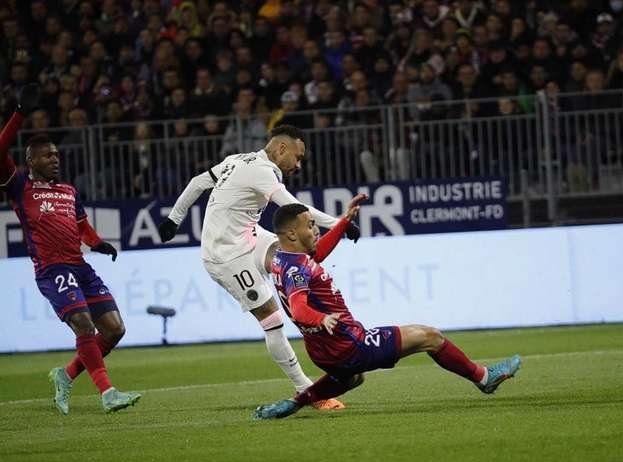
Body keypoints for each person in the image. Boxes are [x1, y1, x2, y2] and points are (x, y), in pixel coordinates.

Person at [252, 199, 522, 420]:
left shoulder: (285, 259)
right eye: (310, 226)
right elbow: (299, 310)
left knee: (352, 379)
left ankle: (294, 403)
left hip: (323, 351)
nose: (315, 230)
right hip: (348, 343)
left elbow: (317, 254)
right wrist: (322, 318)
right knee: (430, 337)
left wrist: (344, 222)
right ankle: (484, 378)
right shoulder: (297, 269)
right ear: (291, 234)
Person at [158, 125, 359, 410]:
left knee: (297, 261)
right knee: (272, 319)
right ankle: (309, 392)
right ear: (281, 149)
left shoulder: (237, 159)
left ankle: (312, 321)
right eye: (297, 157)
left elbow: (198, 181)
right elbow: (296, 211)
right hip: (226, 255)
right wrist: (340, 223)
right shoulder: (262, 171)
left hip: (250, 236)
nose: (298, 165)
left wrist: (174, 219)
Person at [0, 86, 140, 414]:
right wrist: (19, 113)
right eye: (48, 156)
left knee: (115, 329)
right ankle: (108, 393)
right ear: (31, 160)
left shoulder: (68, 190)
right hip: (52, 269)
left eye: (57, 156)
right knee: (83, 323)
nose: (55, 160)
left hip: (80, 266)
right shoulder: (20, 186)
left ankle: (65, 374)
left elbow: (81, 226)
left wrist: (97, 242)